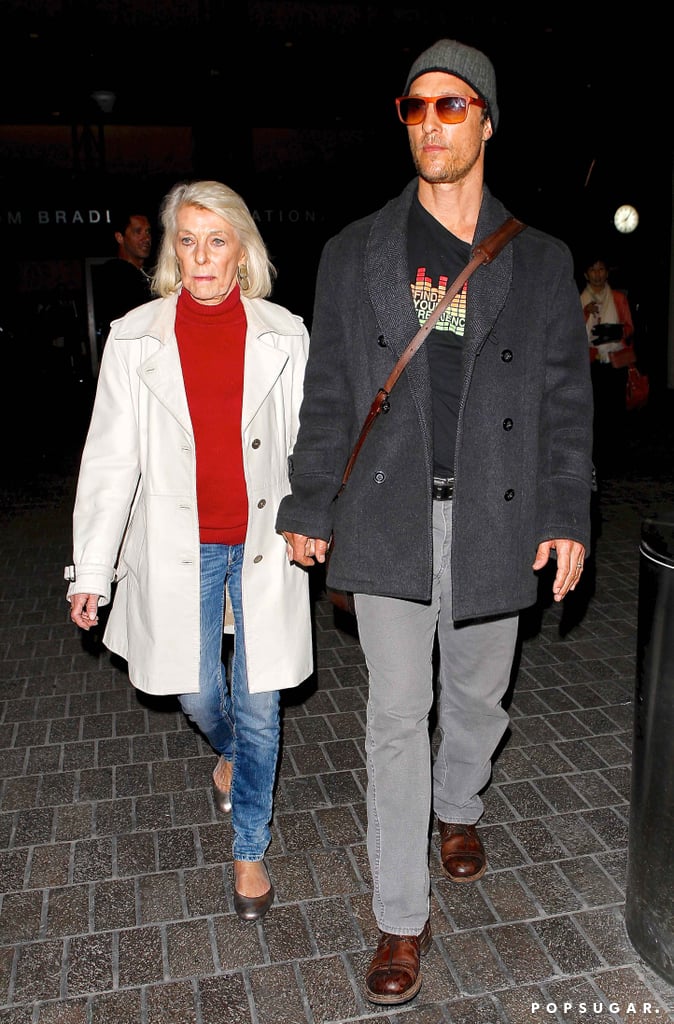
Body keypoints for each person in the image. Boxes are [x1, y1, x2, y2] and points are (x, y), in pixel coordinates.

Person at [276, 39, 593, 1005]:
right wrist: (307, 501)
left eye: (453, 107)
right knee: (394, 714)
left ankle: (461, 803)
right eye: (416, 107)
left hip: (494, 515)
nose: (431, 124)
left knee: (480, 698)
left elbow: (564, 398)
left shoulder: (538, 261)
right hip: (387, 517)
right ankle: (399, 919)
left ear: (487, 121)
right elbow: (330, 392)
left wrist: (567, 509)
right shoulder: (353, 252)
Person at [66, 179, 313, 923]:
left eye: (217, 241)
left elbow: (310, 444)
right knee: (194, 687)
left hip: (265, 543)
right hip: (179, 546)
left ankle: (249, 849)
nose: (202, 257)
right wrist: (93, 566)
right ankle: (230, 748)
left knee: (261, 697)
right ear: (173, 250)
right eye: (187, 240)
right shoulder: (135, 336)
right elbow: (110, 461)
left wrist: (317, 518)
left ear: (241, 251)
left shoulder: (285, 333)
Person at [580, 255, 635, 474]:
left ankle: (616, 459)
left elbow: (630, 328)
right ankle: (596, 458)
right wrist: (586, 312)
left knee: (615, 413)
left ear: (607, 273)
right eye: (593, 270)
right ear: (586, 274)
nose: (597, 274)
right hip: (592, 363)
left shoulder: (619, 298)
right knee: (595, 413)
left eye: (601, 269)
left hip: (615, 363)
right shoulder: (580, 299)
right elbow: (572, 331)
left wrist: (615, 332)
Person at [93, 206, 154, 342]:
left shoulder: (148, 274)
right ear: (120, 237)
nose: (146, 238)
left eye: (148, 232)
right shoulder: (114, 275)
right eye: (138, 232)